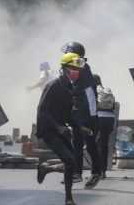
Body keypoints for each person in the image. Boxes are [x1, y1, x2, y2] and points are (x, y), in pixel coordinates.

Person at [36, 52, 84, 205]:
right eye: (73, 68)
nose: (76, 72)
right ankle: (68, 199)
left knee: (72, 162)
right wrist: (57, 127)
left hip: (62, 129)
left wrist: (80, 127)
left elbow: (68, 114)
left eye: (78, 69)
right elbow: (42, 109)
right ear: (64, 69)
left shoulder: (70, 87)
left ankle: (46, 168)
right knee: (69, 160)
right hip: (49, 129)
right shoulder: (53, 85)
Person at [61, 41, 102, 188]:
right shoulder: (76, 68)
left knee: (90, 145)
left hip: (88, 115)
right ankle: (76, 173)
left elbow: (87, 94)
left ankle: (96, 173)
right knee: (76, 144)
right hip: (79, 114)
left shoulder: (83, 69)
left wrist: (90, 119)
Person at [94, 74, 117, 179]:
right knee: (104, 145)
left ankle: (97, 171)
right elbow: (113, 106)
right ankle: (103, 171)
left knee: (94, 145)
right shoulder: (107, 90)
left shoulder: (93, 91)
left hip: (99, 118)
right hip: (110, 119)